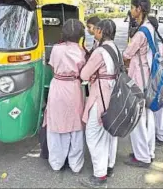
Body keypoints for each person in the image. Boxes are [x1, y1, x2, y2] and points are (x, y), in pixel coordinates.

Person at [42, 19, 86, 174]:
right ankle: (76, 164)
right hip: (74, 87)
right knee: (75, 125)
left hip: (58, 86)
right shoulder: (81, 52)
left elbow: (52, 66)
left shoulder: (56, 49)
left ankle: (56, 162)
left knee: (56, 124)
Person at [79, 19, 119, 188]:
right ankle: (107, 166)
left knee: (93, 134)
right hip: (113, 94)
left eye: (96, 30)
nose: (94, 32)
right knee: (106, 134)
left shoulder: (100, 52)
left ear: (101, 31)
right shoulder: (114, 48)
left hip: (100, 95)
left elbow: (84, 75)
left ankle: (99, 175)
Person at [122, 0, 155, 168]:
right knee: (147, 116)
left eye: (132, 7)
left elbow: (127, 54)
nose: (131, 11)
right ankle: (147, 151)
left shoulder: (141, 33)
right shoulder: (150, 28)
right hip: (147, 76)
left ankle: (142, 157)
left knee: (138, 118)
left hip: (138, 79)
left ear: (138, 9)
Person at [148, 16, 163, 145]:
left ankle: (157, 135)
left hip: (155, 78)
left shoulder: (151, 43)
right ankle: (161, 134)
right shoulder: (161, 42)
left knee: (154, 106)